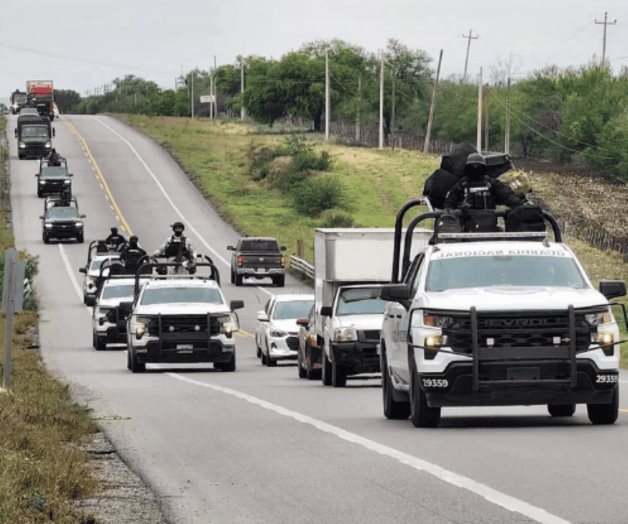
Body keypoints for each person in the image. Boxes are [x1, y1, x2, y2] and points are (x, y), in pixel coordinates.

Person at [443, 153, 527, 211]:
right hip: (465, 225)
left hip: (488, 224)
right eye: (472, 167)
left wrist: (522, 203)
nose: (475, 169)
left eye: (477, 167)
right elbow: (449, 204)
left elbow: (507, 197)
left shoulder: (491, 183)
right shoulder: (461, 185)